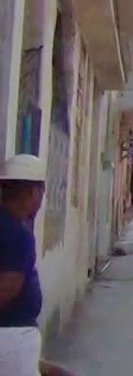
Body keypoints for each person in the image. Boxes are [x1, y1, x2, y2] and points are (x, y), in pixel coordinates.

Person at [0, 154, 76, 376]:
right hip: (11, 337)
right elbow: (8, 288)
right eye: (42, 192)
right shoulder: (16, 233)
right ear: (34, 192)